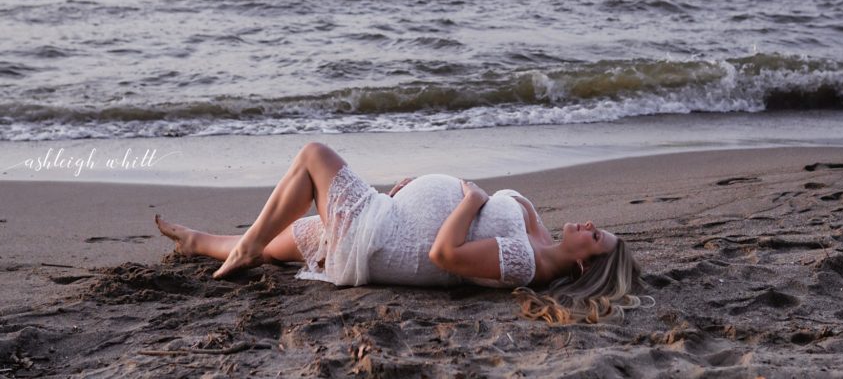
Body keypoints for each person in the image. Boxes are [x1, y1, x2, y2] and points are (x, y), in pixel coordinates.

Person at [155, 142, 645, 323]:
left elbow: (445, 254)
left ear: (584, 263)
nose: (591, 226)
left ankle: (244, 245)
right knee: (289, 240)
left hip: (384, 241)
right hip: (388, 216)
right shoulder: (536, 239)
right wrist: (415, 194)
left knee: (314, 157)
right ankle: (202, 242)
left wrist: (469, 196)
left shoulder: (528, 262)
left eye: (597, 237)